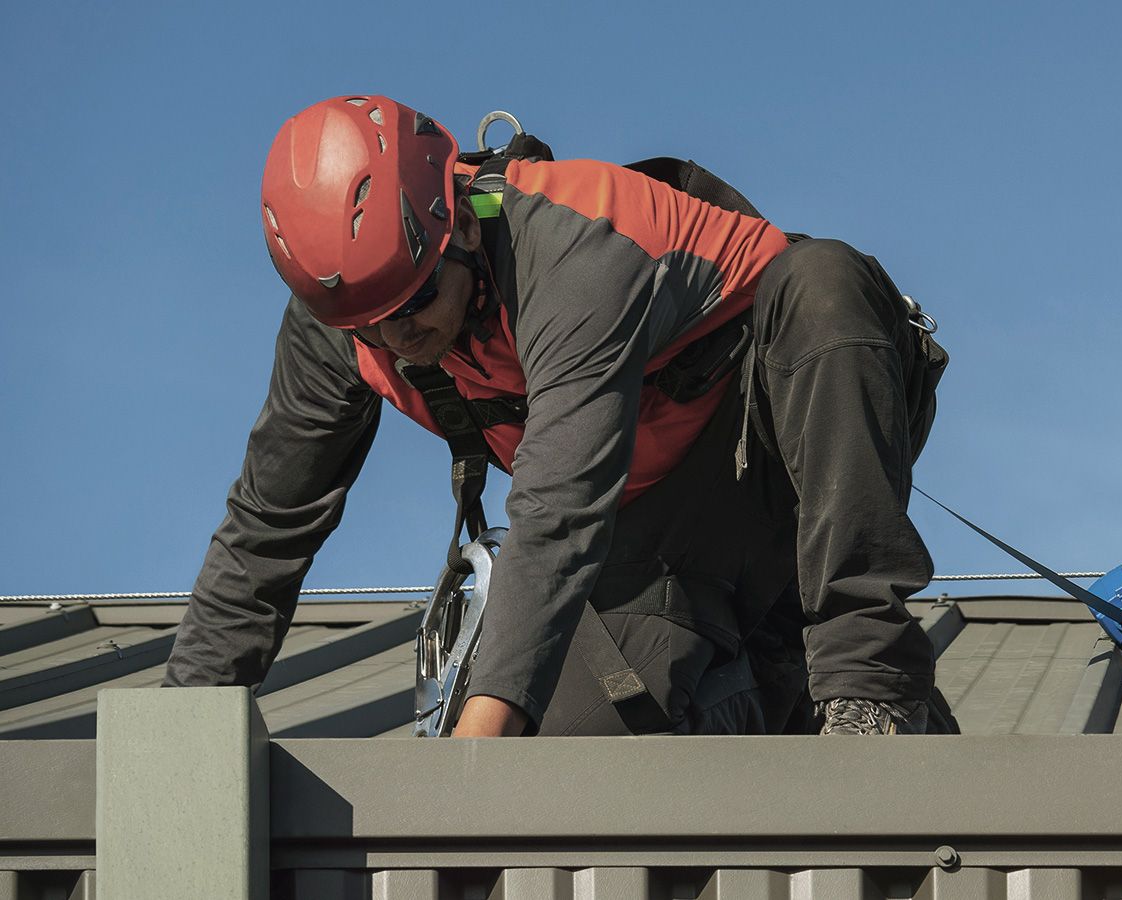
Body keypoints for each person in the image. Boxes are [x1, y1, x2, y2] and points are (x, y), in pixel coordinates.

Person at [162, 95, 952, 737]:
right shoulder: (341, 322)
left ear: (462, 223)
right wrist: (174, 742)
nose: (394, 338)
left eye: (415, 301)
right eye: (366, 325)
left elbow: (559, 507)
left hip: (777, 439)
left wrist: (473, 759)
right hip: (657, 528)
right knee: (578, 758)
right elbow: (267, 526)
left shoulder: (572, 247)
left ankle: (868, 690)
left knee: (822, 278)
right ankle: (783, 684)